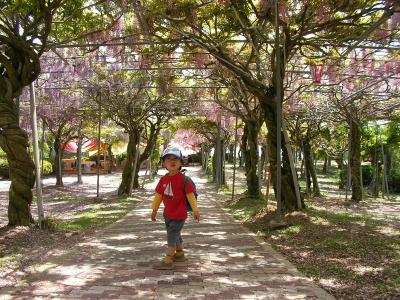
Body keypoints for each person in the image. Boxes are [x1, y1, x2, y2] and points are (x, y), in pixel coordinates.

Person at [150, 146, 200, 270]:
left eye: (175, 159)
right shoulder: (163, 180)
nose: (172, 161)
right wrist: (154, 210)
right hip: (167, 214)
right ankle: (180, 254)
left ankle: (168, 260)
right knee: (175, 233)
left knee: (171, 235)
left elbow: (191, 197)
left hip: (179, 214)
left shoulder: (185, 180)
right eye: (168, 159)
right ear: (163, 163)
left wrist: (195, 210)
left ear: (181, 162)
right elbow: (158, 196)